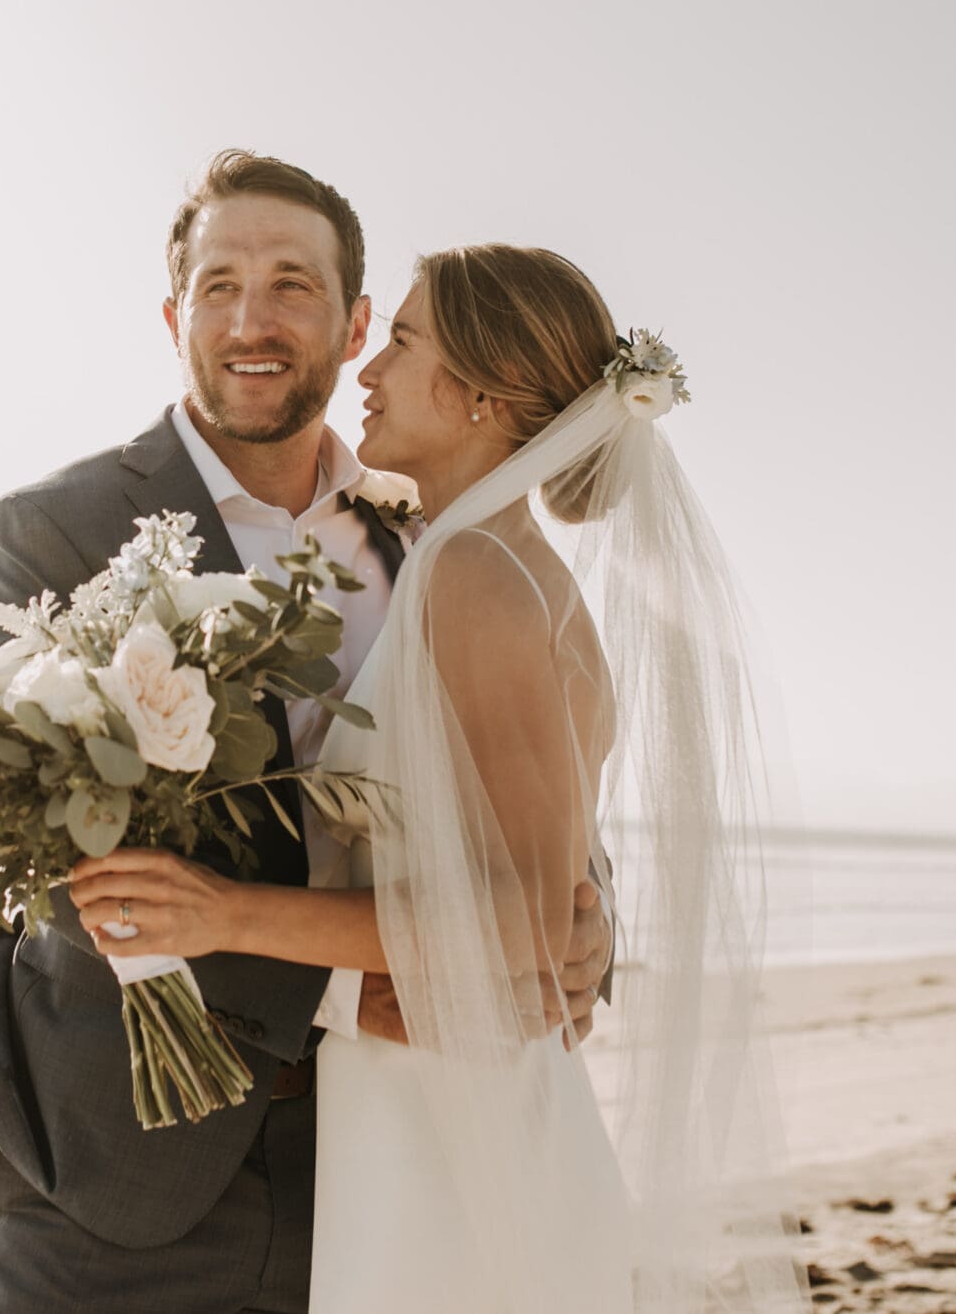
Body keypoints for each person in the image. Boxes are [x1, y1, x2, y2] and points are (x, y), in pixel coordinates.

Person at [0, 153, 615, 1314]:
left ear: (350, 328)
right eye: (219, 283)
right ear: (173, 314)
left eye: (293, 284)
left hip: (388, 1160)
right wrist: (343, 990)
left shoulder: (432, 540)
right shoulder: (55, 530)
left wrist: (583, 928)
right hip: (132, 1171)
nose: (252, 317)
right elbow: (55, 863)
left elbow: (515, 794)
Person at [67, 245, 810, 1311]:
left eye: (403, 343)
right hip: (458, 1105)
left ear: (477, 399)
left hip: (453, 1133)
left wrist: (225, 912)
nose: (367, 373)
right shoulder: (486, 563)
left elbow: (522, 921)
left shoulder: (474, 573)